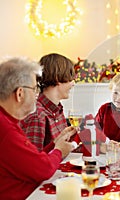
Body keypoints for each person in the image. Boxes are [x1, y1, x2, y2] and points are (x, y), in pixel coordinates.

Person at [0, 57, 77, 199]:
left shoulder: (8, 121)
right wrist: (59, 150)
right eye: (35, 88)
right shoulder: (6, 130)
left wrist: (55, 144)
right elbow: (42, 169)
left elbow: (32, 159)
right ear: (20, 93)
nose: (38, 94)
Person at [20, 53, 76, 152]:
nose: (73, 84)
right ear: (57, 78)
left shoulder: (57, 110)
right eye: (70, 78)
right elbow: (33, 161)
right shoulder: (37, 115)